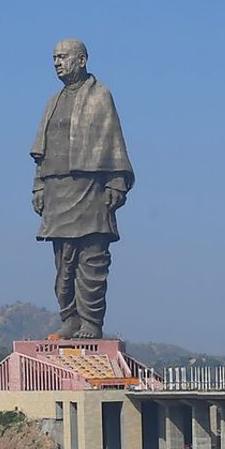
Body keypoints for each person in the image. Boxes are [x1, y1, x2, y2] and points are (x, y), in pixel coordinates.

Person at [30, 38, 134, 340]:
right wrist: (39, 187)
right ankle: (70, 318)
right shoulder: (53, 101)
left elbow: (112, 138)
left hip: (90, 188)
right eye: (54, 58)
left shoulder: (100, 96)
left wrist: (116, 181)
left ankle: (90, 322)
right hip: (56, 189)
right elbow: (41, 152)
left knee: (91, 260)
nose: (57, 63)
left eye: (62, 57)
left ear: (82, 60)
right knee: (63, 265)